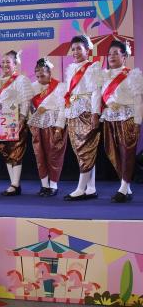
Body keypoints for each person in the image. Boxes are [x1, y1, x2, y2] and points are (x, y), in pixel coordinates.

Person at [101, 40, 143, 202]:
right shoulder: (104, 75)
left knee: (127, 153)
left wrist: (137, 121)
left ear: (124, 56)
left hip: (127, 117)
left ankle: (124, 188)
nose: (111, 56)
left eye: (116, 53)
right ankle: (126, 186)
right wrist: (109, 102)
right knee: (112, 151)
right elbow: (103, 96)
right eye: (109, 54)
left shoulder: (133, 75)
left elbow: (138, 99)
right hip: (110, 118)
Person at [63, 35, 102, 201]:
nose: (75, 52)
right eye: (73, 49)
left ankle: (80, 189)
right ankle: (91, 188)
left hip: (86, 111)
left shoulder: (93, 67)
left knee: (85, 149)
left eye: (79, 48)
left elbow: (96, 91)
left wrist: (95, 113)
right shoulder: (71, 68)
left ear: (87, 50)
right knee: (84, 151)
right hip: (72, 111)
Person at [0, 50, 33, 196]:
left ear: (15, 64)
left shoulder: (21, 80)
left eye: (8, 62)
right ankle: (14, 184)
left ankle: (15, 185)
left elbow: (26, 100)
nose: (4, 65)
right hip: (0, 120)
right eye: (3, 62)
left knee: (16, 150)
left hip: (16, 119)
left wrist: (22, 117)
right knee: (5, 151)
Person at [28, 58, 67, 197]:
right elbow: (27, 106)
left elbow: (63, 108)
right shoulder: (32, 87)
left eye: (43, 75)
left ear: (50, 73)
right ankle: (44, 185)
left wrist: (59, 127)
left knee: (54, 154)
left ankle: (53, 185)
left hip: (54, 123)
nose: (40, 79)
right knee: (39, 155)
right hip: (37, 124)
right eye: (37, 76)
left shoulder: (60, 86)